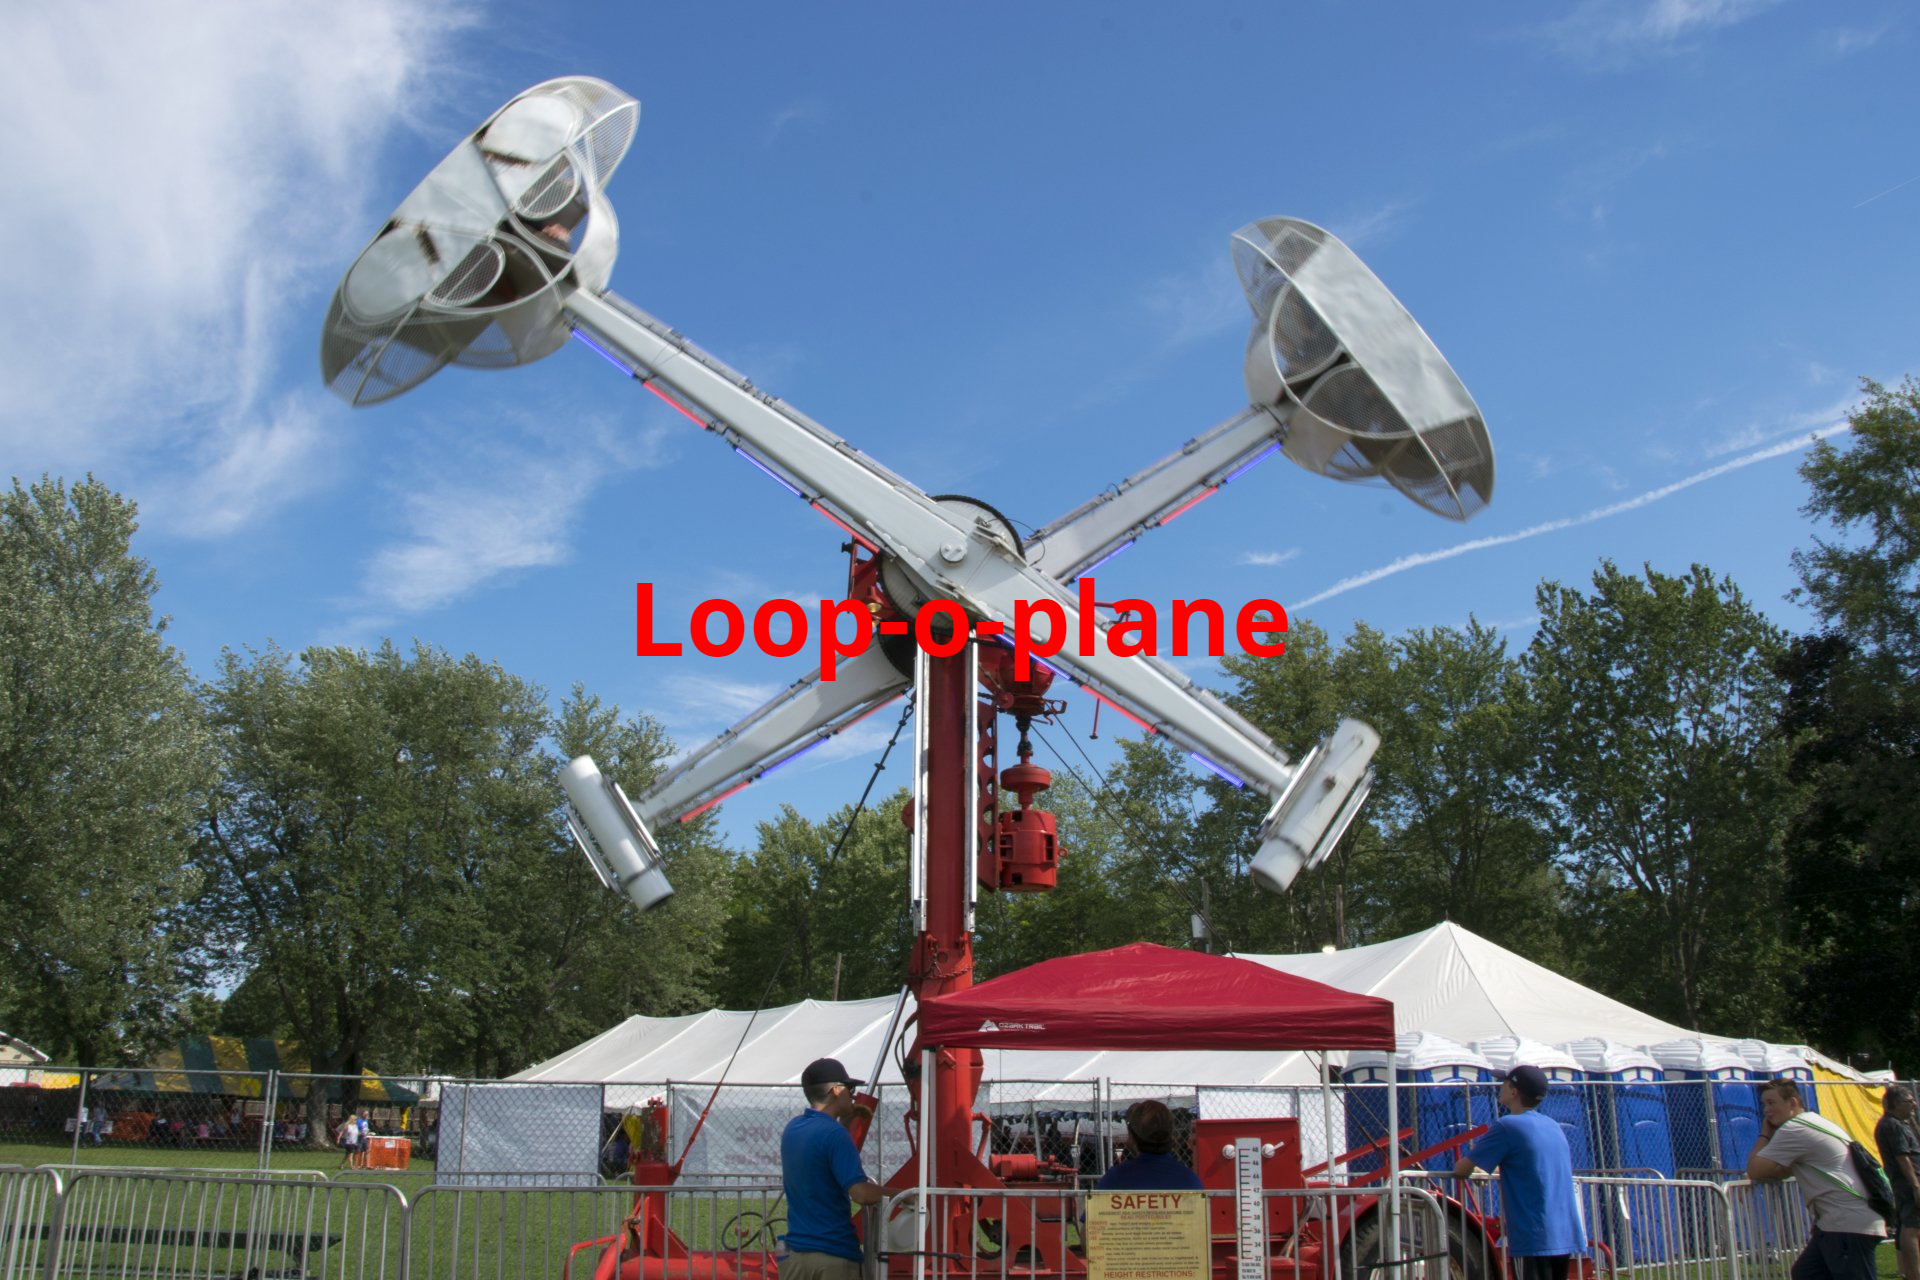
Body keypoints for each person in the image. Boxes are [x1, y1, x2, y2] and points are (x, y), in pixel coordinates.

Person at [1453, 1065, 1585, 1280]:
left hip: (1533, 1238)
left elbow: (1461, 1169)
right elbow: (1527, 1162)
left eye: (1504, 1083)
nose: (1500, 1087)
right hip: (1563, 1234)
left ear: (1514, 1091)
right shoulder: (1552, 1125)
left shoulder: (1508, 1126)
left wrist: (1474, 1168)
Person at [1749, 1077, 1885, 1280]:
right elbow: (1782, 1171)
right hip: (1834, 1223)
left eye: (1772, 1103)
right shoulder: (1815, 1121)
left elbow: (1755, 1170)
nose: (1766, 1111)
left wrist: (1764, 1134)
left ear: (1793, 1103)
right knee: (1806, 1273)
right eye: (1763, 1104)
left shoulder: (1795, 1128)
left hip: (1847, 1222)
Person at [780, 1057, 883, 1279]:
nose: (853, 1095)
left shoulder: (793, 1129)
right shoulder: (834, 1135)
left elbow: (822, 1158)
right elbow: (861, 1194)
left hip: (796, 1257)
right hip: (834, 1257)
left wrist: (846, 1121)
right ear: (836, 1090)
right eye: (850, 1088)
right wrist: (903, 1194)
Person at [1095, 1100, 1203, 1191]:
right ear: (1170, 1134)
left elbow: (1091, 1215)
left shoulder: (1114, 1179)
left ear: (1132, 1136)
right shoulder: (1189, 1181)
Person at [1876, 1085, 1920, 1280]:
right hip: (1908, 1183)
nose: (1914, 1105)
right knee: (1912, 1227)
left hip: (1908, 1183)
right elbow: (1902, 1157)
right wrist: (1916, 1185)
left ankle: (1908, 1272)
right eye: (1909, 1101)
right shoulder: (1892, 1125)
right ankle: (1914, 1274)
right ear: (1895, 1104)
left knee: (1909, 1225)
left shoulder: (1897, 1123)